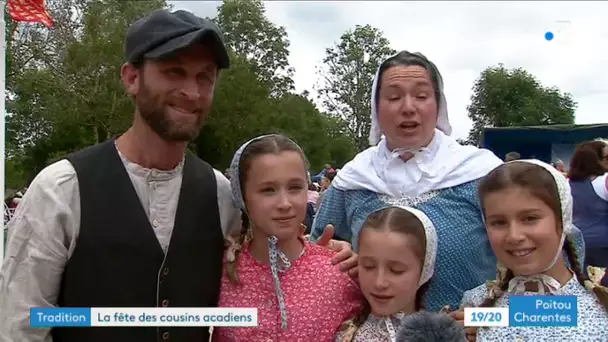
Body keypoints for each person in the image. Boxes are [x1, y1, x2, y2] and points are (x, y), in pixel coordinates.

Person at [0, 9, 353, 342]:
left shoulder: (219, 193)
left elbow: (258, 268)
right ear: (132, 78)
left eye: (204, 77)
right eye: (174, 72)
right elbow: (22, 324)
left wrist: (327, 259)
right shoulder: (61, 189)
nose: (192, 92)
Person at [312, 50, 517, 311]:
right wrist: (333, 255)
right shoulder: (354, 180)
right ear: (377, 108)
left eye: (421, 96)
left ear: (438, 105)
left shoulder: (482, 174)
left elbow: (547, 274)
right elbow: (314, 256)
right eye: (394, 97)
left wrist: (490, 321)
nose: (408, 107)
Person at [213, 134, 362, 341]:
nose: (284, 203)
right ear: (243, 197)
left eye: (294, 188)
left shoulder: (341, 272)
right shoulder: (220, 275)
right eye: (268, 190)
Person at [458, 159, 608, 341]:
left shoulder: (599, 306)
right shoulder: (476, 304)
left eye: (530, 218)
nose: (514, 236)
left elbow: (566, 311)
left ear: (563, 221)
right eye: (498, 222)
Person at [335, 206, 441, 342]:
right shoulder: (340, 329)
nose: (380, 283)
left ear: (424, 269)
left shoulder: (440, 335)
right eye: (369, 266)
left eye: (396, 271)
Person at [568, 140, 608, 268]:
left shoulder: (565, 183)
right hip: (603, 245)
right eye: (607, 157)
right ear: (595, 160)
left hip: (575, 244)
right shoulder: (604, 181)